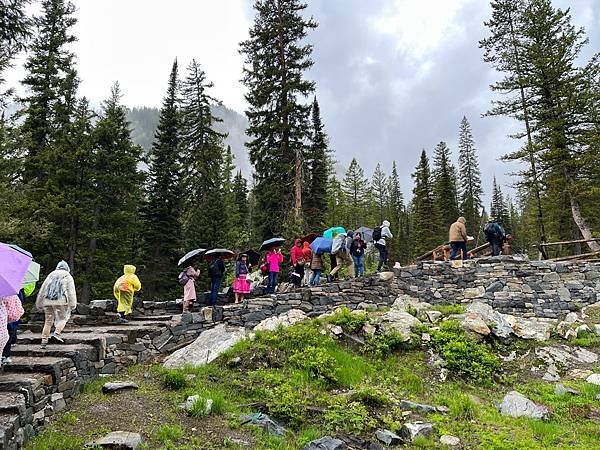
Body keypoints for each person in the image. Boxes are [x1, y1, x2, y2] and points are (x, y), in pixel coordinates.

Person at [36, 260, 77, 348]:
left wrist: (39, 303)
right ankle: (57, 333)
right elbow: (71, 292)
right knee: (63, 318)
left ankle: (44, 341)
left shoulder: (51, 275)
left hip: (47, 300)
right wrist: (73, 304)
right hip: (60, 301)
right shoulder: (67, 276)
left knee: (48, 321)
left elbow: (43, 290)